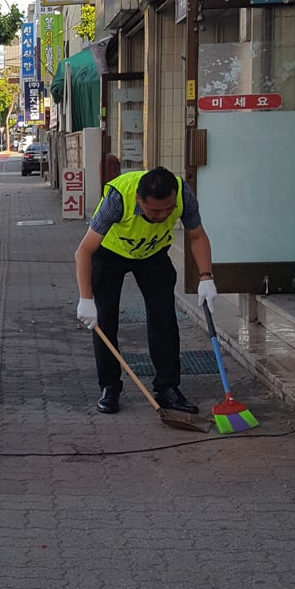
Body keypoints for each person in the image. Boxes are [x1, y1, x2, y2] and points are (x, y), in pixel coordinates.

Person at [74, 165, 217, 416]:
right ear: (140, 200)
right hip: (110, 254)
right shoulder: (119, 198)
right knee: (105, 320)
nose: (163, 216)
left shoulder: (183, 194)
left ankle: (168, 388)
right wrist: (85, 299)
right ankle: (109, 387)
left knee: (164, 318)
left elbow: (197, 236)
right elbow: (84, 251)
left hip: (152, 253)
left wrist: (206, 276)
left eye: (168, 209)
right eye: (154, 210)